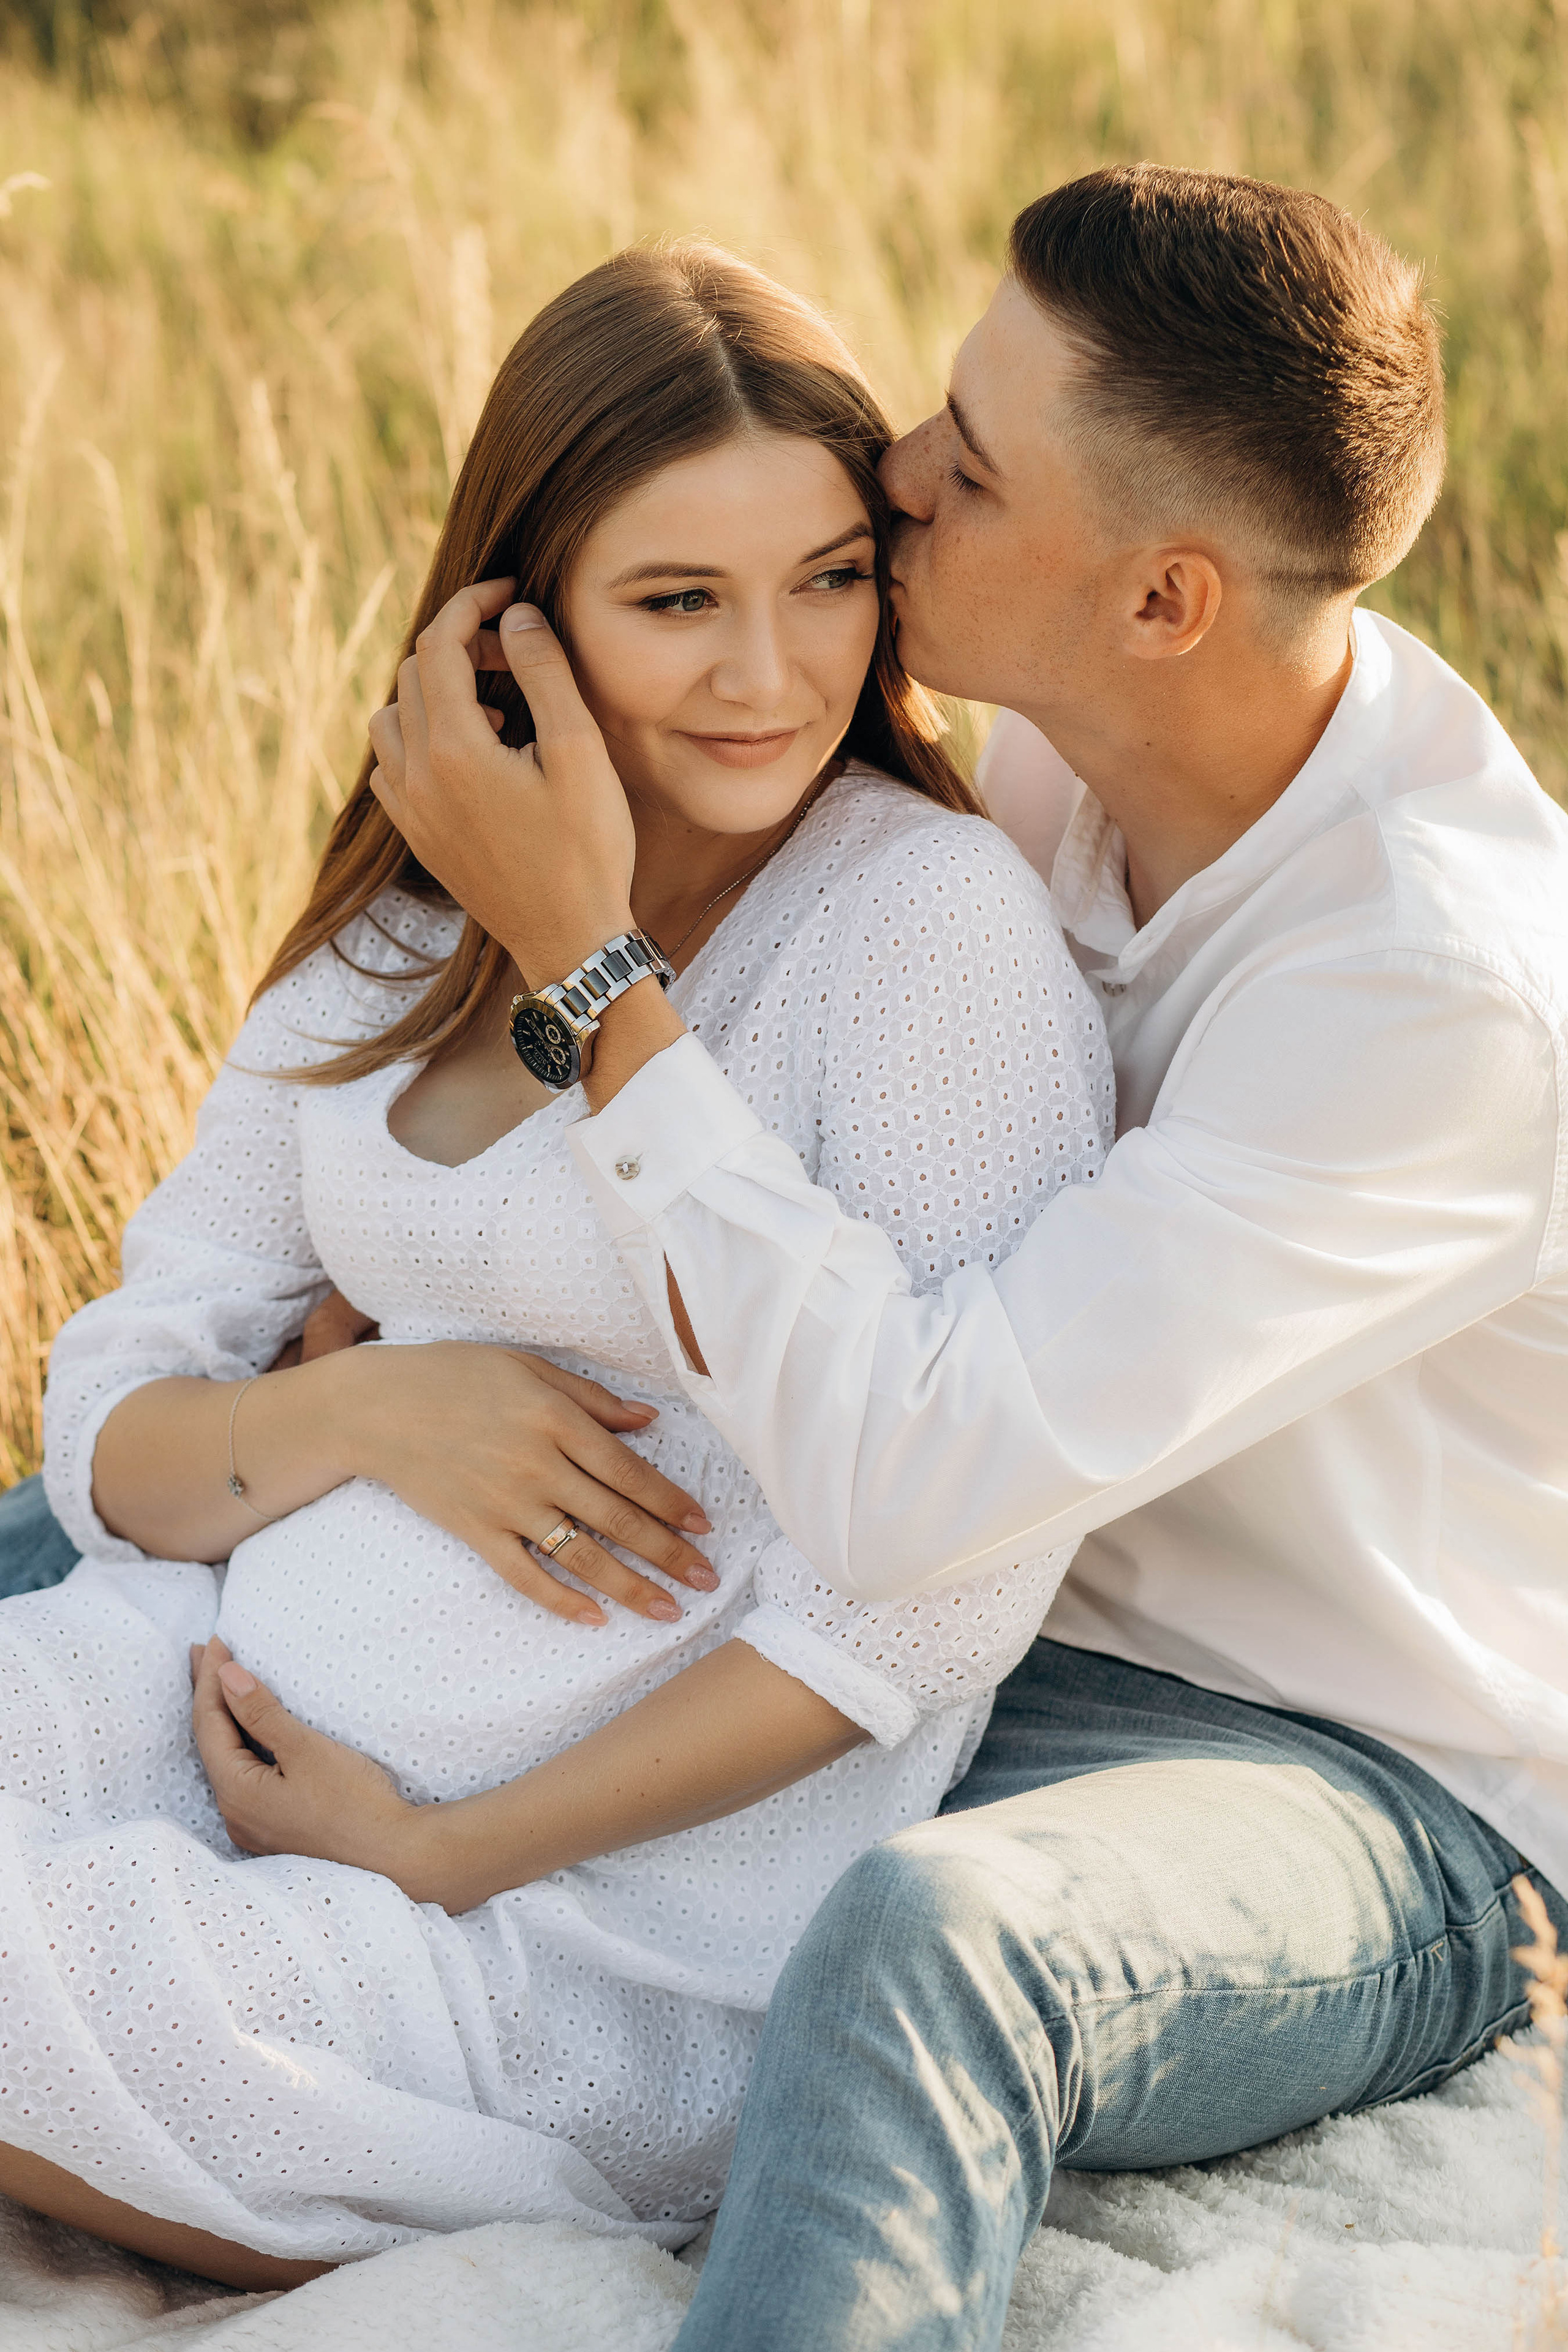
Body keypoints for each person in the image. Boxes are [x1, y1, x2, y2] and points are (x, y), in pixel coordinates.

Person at [257, 164, 1562, 2351]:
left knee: (923, 1944)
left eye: (966, 463)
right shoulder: (1063, 745)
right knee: (123, 1542)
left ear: (1163, 600)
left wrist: (585, 969)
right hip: (945, 1621)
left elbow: (911, 1482)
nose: (896, 471)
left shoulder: (1433, 993)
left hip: (1327, 1771)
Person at [0, 241, 1114, 2292]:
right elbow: (112, 1438)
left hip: (582, 1910)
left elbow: (934, 1608)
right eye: (678, 601)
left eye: (830, 578)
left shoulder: (925, 931)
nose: (772, 674)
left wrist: (440, 1848)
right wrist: (365, 1408)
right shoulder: (408, 938)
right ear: (513, 617)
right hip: (191, 1694)